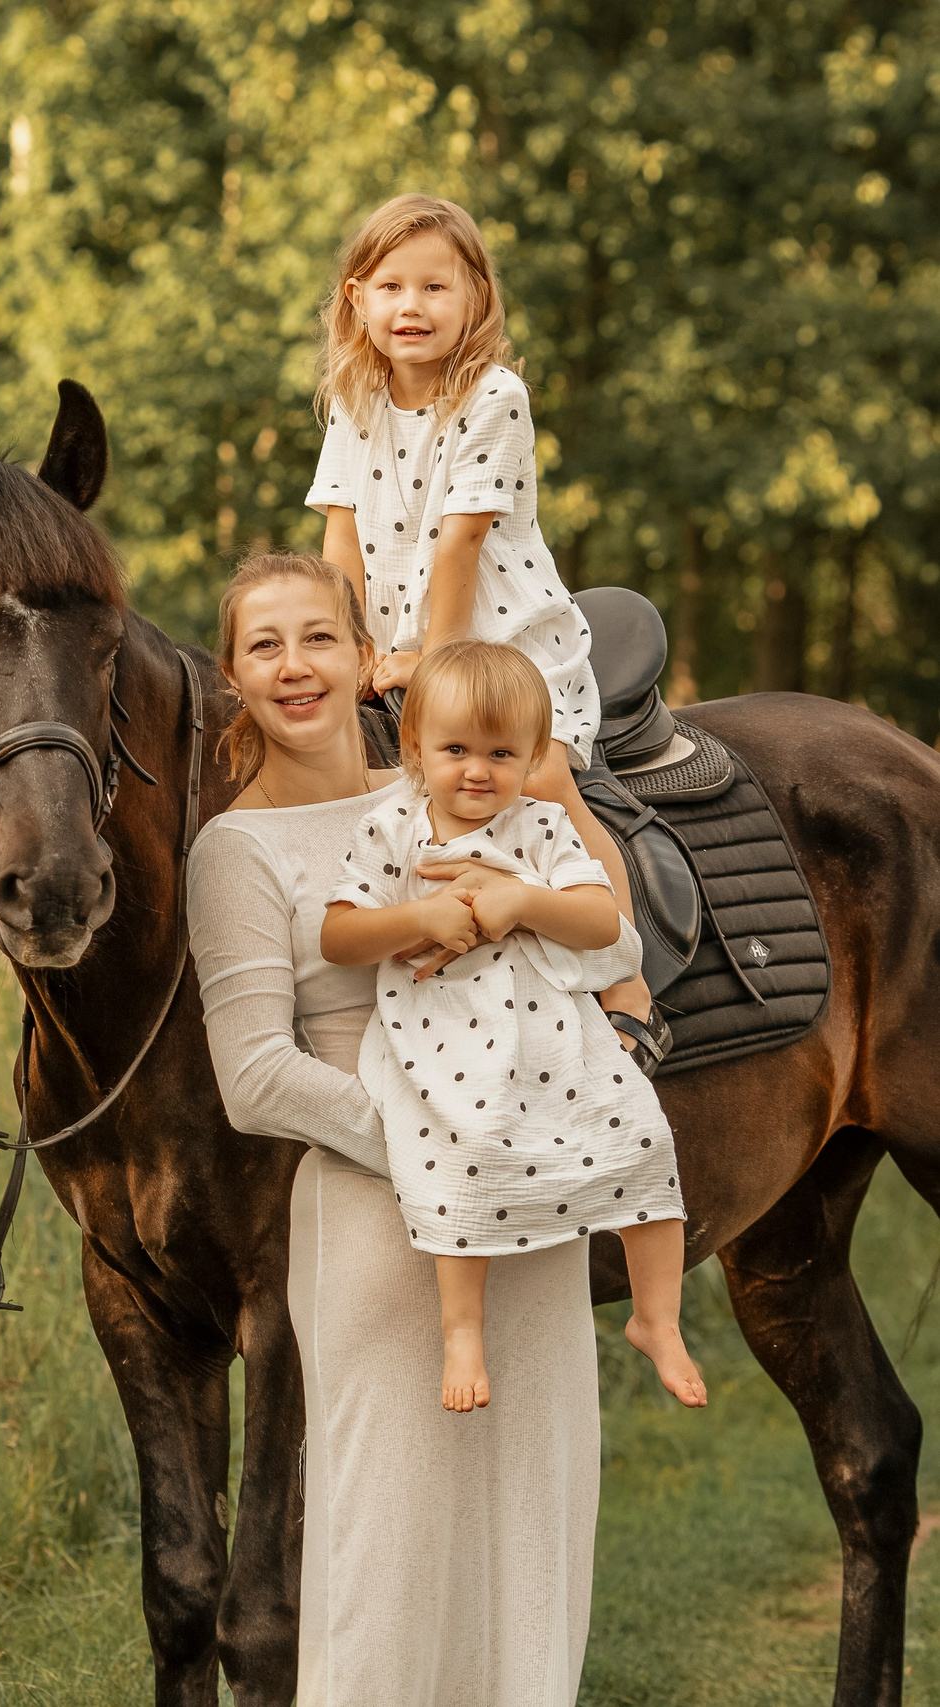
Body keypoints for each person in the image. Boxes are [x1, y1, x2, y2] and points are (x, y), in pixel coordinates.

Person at [187, 550, 643, 1706]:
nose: (294, 666)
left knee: (532, 1526)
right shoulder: (236, 850)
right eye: (262, 646)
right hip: (376, 1216)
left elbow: (612, 949)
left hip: (525, 1210)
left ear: (364, 657)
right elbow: (255, 1080)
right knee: (383, 1552)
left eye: (317, 638)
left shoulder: (465, 782)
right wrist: (449, 1145)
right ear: (232, 677)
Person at [309, 192, 665, 1071]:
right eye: (391, 287)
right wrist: (345, 640)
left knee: (540, 778)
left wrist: (432, 663)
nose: (412, 306)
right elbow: (341, 534)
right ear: (357, 298)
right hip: (398, 644)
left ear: (475, 296)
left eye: (436, 287)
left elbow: (460, 543)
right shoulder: (355, 397)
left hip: (504, 644)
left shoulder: (493, 396)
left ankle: (627, 977)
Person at [318, 640, 703, 1414]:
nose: (478, 770)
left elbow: (602, 923)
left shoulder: (543, 825)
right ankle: (462, 1328)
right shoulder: (393, 828)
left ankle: (657, 1318)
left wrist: (523, 898)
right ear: (416, 746)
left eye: (501, 753)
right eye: (456, 749)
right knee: (461, 1154)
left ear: (531, 756)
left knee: (643, 1137)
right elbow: (338, 935)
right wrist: (420, 918)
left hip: (554, 1031)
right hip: (444, 1035)